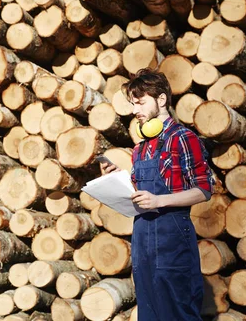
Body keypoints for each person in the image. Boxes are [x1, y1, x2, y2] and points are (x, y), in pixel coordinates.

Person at [100, 68, 214, 321]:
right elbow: (140, 193)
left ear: (161, 100)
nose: (134, 110)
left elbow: (205, 189)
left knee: (178, 311)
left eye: (140, 103)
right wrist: (117, 176)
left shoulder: (183, 138)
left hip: (171, 238)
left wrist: (161, 200)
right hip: (142, 239)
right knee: (150, 313)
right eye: (132, 104)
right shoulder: (140, 148)